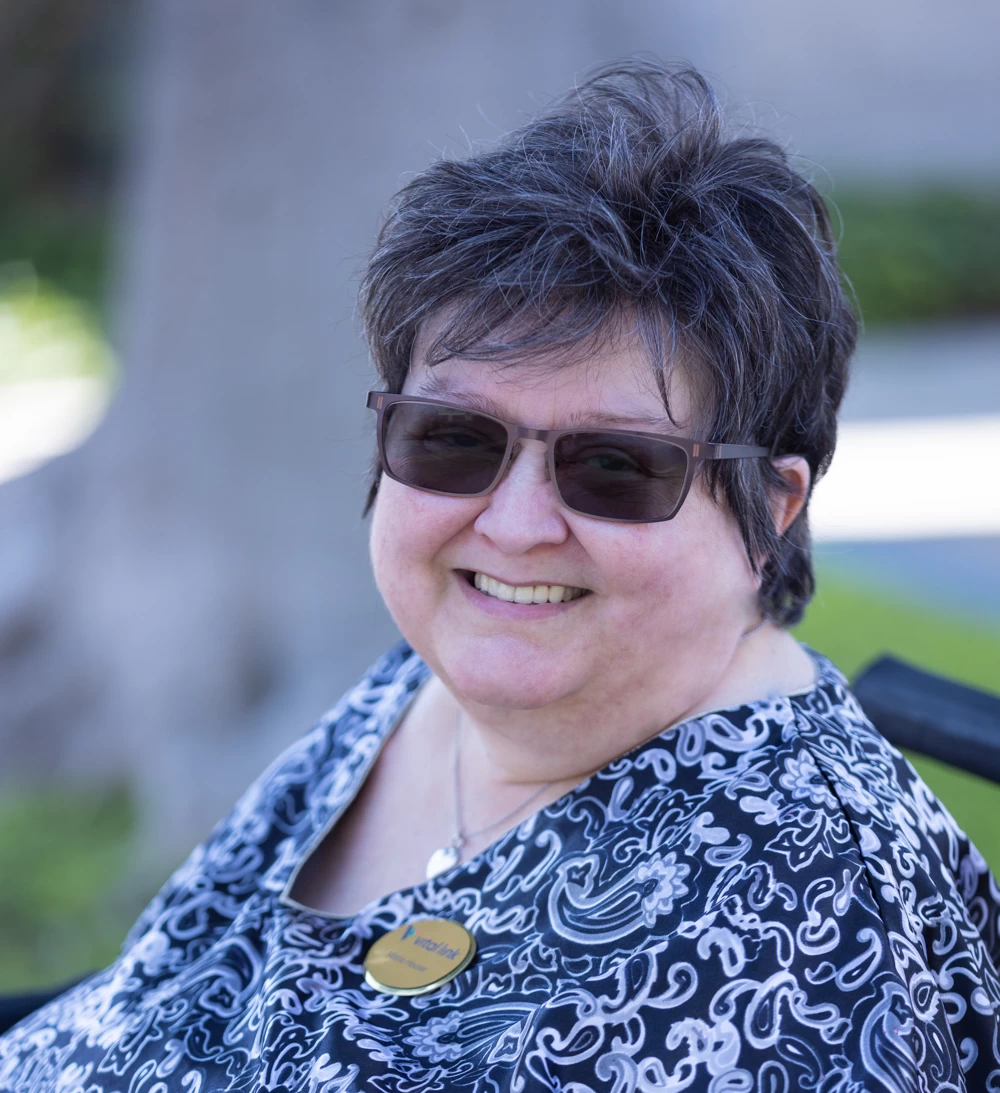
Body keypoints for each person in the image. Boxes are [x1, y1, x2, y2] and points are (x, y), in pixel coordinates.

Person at [2, 58, 998, 1093]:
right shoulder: (428, 683)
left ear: (771, 510)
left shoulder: (805, 932)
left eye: (615, 466)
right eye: (455, 439)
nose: (514, 527)